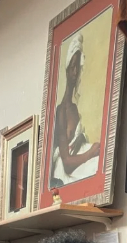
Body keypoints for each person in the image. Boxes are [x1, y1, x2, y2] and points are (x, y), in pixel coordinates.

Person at [51, 34, 100, 187]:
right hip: (65, 171)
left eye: (77, 67)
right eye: (72, 67)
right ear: (66, 70)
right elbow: (66, 162)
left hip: (76, 159)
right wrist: (90, 153)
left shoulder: (74, 107)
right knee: (95, 163)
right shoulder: (61, 111)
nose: (75, 72)